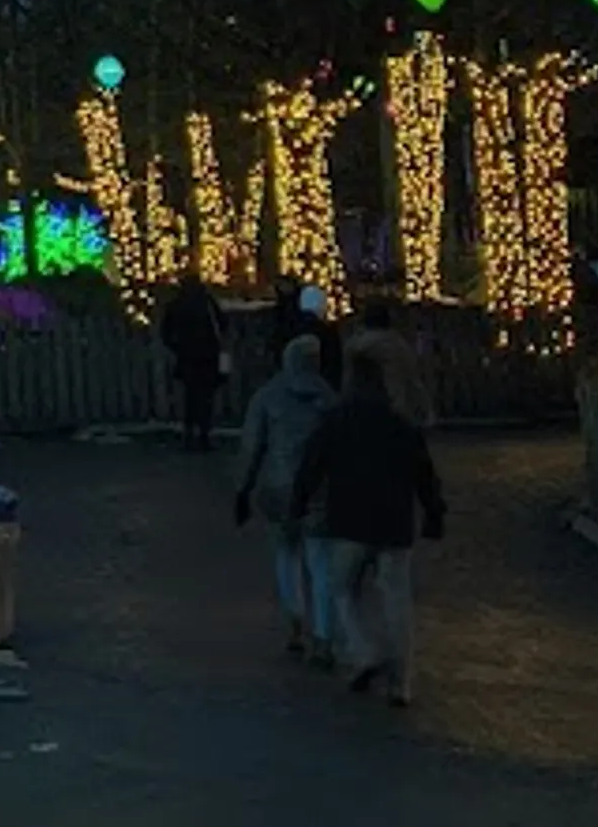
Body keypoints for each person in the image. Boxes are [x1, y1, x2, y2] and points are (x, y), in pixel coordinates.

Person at [290, 350, 441, 706]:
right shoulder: (399, 425)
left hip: (350, 521)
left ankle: (362, 650)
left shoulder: (336, 421)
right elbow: (424, 473)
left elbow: (312, 466)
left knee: (340, 588)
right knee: (397, 601)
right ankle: (400, 682)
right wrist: (434, 513)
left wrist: (298, 505)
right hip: (394, 522)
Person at [230, 332, 337, 663]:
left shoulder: (268, 397)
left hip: (278, 488)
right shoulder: (330, 399)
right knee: (321, 563)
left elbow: (252, 447)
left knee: (287, 556)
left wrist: (242, 490)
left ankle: (294, 620)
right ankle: (324, 636)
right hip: (320, 491)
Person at [155, 269, 226, 451]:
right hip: (208, 355)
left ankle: (189, 434)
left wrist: (176, 346)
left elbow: (166, 330)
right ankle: (204, 435)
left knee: (190, 397)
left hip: (187, 356)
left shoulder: (177, 304)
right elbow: (222, 324)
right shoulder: (207, 303)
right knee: (206, 397)